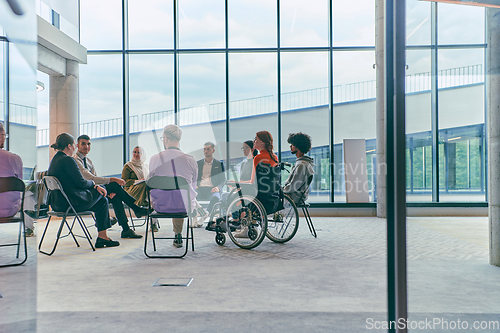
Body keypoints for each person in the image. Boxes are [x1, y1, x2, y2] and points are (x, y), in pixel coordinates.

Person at [47, 133, 119, 248]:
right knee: (102, 191)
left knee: (102, 202)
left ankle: (103, 237)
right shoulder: (68, 160)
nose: (75, 147)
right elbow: (81, 182)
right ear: (69, 146)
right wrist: (95, 186)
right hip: (70, 203)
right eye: (74, 145)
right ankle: (104, 233)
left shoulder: (54, 160)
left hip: (57, 204)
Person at [74, 135, 146, 239]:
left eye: (88, 144)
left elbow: (96, 181)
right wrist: (113, 179)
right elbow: (91, 178)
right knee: (114, 184)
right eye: (83, 144)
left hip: (95, 191)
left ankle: (126, 229)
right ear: (77, 145)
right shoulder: (76, 161)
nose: (87, 146)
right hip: (86, 194)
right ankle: (136, 208)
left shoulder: (88, 161)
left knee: (116, 196)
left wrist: (106, 191)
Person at [148, 124, 199, 248]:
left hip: (159, 206)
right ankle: (178, 234)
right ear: (179, 139)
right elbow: (193, 185)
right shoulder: (190, 159)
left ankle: (154, 224)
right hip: (182, 207)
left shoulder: (155, 158)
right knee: (181, 196)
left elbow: (150, 183)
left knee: (168, 195)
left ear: (165, 138)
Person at [0, 123, 36, 237]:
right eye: (4, 135)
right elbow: (20, 185)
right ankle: (28, 228)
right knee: (29, 195)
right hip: (9, 210)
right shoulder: (14, 158)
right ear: (1, 136)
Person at [122, 146, 159, 232]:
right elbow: (124, 182)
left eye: (138, 152)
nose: (136, 154)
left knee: (153, 196)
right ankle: (153, 223)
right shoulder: (128, 166)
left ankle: (153, 224)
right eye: (134, 152)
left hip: (145, 190)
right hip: (130, 192)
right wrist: (137, 181)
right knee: (149, 190)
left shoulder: (146, 166)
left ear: (143, 154)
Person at [283, 132, 315, 204]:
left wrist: (282, 190)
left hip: (294, 197)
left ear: (298, 146)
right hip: (298, 195)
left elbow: (293, 186)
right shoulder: (305, 163)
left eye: (292, 144)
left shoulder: (302, 165)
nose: (290, 146)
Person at [196, 142, 225, 218]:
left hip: (212, 189)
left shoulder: (219, 164)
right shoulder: (198, 163)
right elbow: (192, 177)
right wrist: (194, 184)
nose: (206, 151)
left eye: (208, 149)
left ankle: (207, 213)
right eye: (204, 149)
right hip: (199, 189)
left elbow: (223, 180)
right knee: (190, 196)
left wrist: (218, 188)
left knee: (216, 198)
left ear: (213, 151)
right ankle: (195, 217)